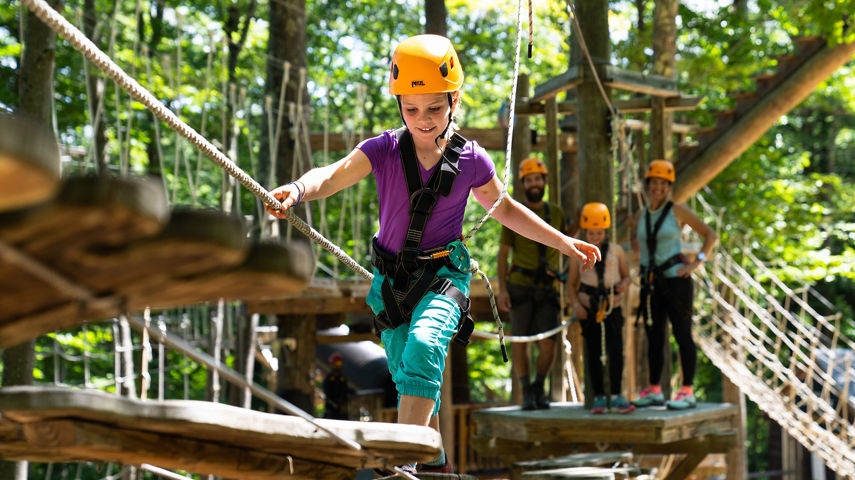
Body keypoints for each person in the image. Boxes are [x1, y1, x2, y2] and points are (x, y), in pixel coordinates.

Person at [266, 34, 600, 474]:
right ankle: (435, 464)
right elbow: (332, 175)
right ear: (400, 104)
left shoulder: (472, 161)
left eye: (435, 108)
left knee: (424, 348)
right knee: (409, 378)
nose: (423, 119)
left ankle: (402, 467)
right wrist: (297, 189)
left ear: (454, 100)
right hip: (391, 285)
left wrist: (561, 241)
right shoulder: (383, 150)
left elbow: (506, 210)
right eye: (411, 109)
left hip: (444, 276)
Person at [631, 160, 718, 410]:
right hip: (652, 284)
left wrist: (695, 263)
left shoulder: (678, 212)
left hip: (677, 282)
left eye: (663, 183)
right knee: (654, 336)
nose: (658, 187)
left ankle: (687, 391)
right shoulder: (640, 216)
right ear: (648, 185)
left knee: (682, 334)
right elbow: (637, 244)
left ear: (668, 187)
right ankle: (655, 390)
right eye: (654, 183)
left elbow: (710, 235)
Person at [497, 157, 565, 410]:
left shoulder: (556, 213)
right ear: (523, 184)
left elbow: (567, 241)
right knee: (521, 340)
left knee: (549, 343)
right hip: (520, 284)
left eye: (537, 179)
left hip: (548, 286)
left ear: (545, 181)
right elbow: (503, 254)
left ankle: (539, 385)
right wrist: (502, 289)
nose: (534, 183)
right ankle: (526, 390)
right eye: (529, 180)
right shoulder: (513, 212)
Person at [566, 202, 633, 414]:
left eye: (599, 233)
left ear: (606, 231)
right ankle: (598, 397)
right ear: (585, 231)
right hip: (589, 307)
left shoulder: (617, 251)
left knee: (616, 350)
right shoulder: (578, 252)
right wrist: (577, 305)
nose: (595, 236)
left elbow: (627, 275)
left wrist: (624, 285)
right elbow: (571, 284)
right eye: (591, 233)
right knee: (593, 352)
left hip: (612, 306)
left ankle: (616, 395)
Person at [322, 353, 354, 420]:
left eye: (339, 363)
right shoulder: (328, 378)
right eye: (335, 363)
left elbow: (345, 389)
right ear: (331, 364)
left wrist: (351, 391)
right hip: (331, 410)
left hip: (343, 410)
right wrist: (334, 403)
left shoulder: (342, 378)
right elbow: (326, 392)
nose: (337, 366)